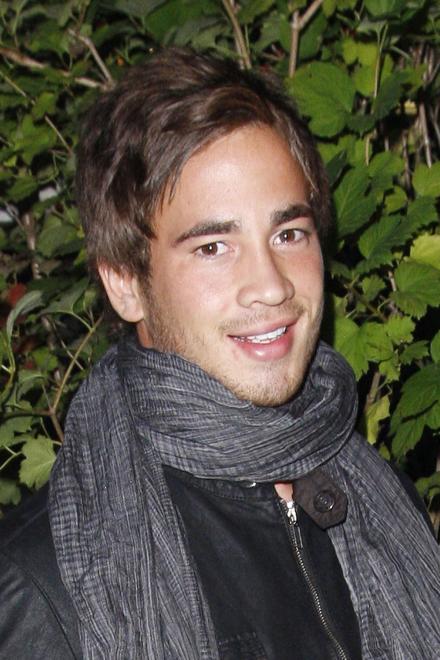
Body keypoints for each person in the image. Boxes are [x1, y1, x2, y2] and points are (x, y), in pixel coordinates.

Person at [1, 48, 439, 660]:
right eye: (213, 247)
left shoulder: (380, 500)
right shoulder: (43, 585)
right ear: (125, 282)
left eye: (289, 234)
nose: (272, 285)